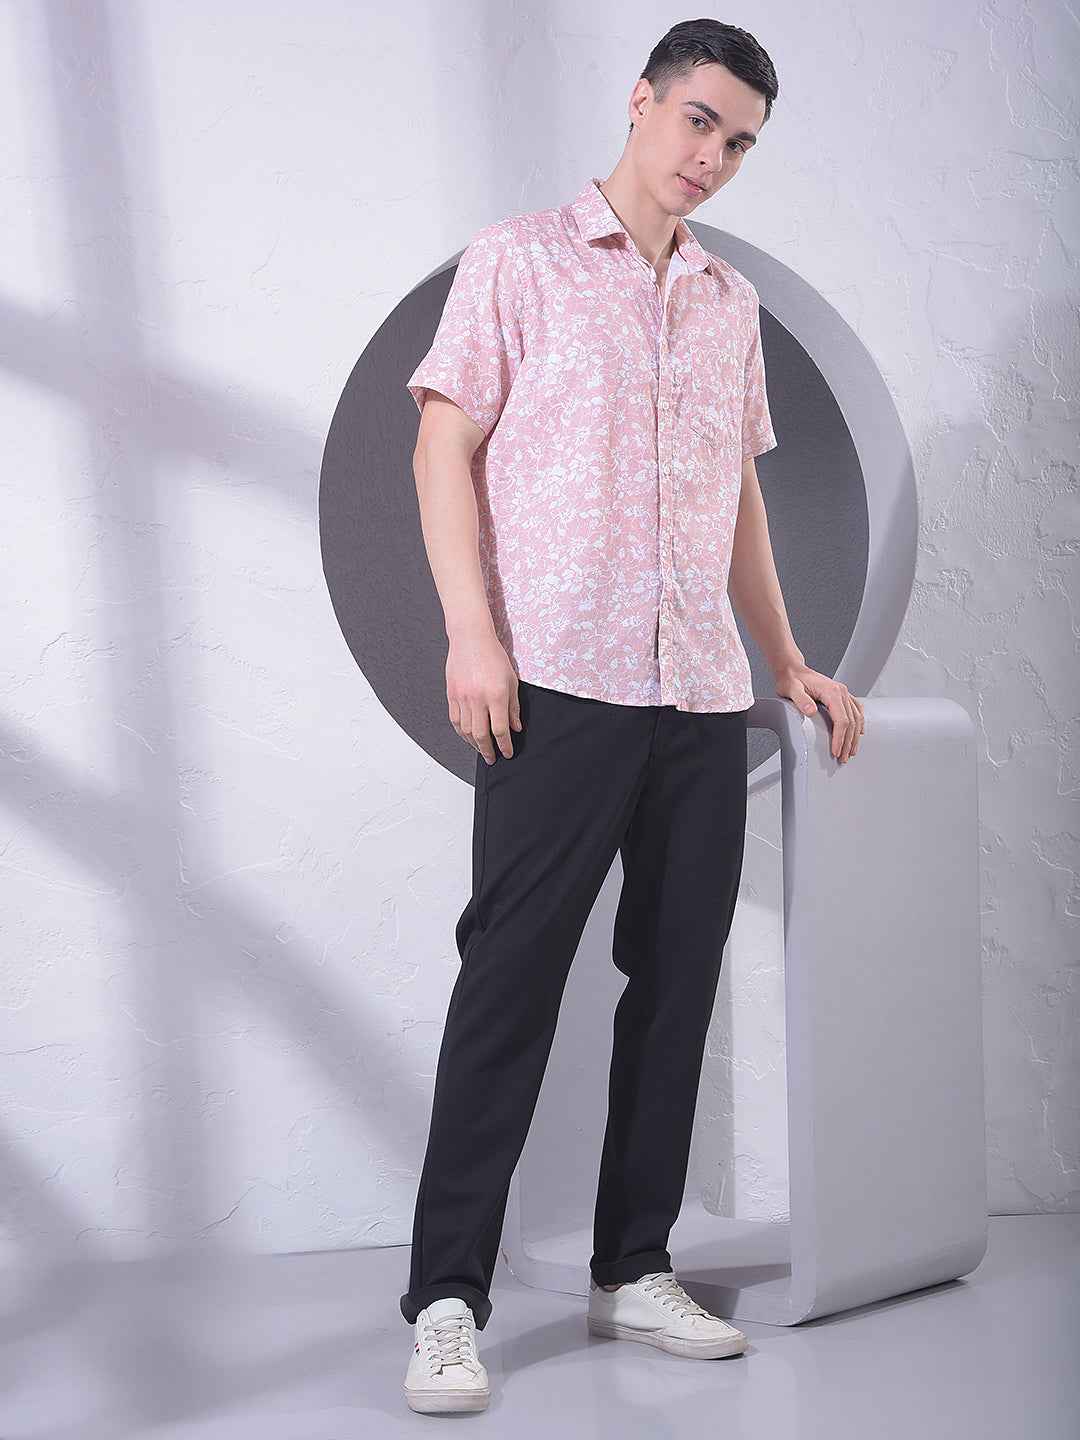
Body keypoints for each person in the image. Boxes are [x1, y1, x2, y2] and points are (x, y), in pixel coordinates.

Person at [399, 18, 864, 1416]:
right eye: (699, 121)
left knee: (675, 985)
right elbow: (440, 443)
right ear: (641, 102)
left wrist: (786, 659)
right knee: (510, 980)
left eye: (740, 142)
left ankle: (634, 1265)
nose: (713, 156)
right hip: (558, 681)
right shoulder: (518, 260)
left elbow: (737, 497)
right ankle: (445, 1300)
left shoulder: (729, 303)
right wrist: (472, 636)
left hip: (698, 697)